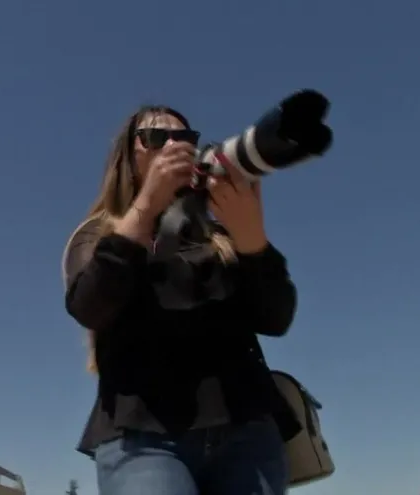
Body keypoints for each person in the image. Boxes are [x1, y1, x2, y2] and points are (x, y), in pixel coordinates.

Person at [61, 105, 301, 495]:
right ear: (128, 157)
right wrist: (147, 207)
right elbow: (90, 306)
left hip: (247, 431)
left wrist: (252, 239)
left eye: (185, 138)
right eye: (158, 138)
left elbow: (277, 319)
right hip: (143, 437)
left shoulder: (220, 237)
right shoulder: (100, 234)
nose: (175, 146)